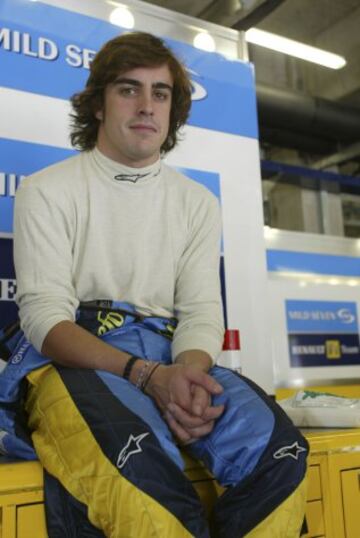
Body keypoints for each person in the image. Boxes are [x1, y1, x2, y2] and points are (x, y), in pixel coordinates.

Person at [10, 32, 308, 537]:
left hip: (174, 359)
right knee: (142, 475)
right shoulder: (47, 191)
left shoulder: (196, 202)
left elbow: (200, 313)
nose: (147, 106)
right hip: (79, 360)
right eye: (129, 89)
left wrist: (186, 380)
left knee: (281, 455)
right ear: (99, 105)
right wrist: (146, 376)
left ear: (173, 109)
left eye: (161, 93)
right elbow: (45, 320)